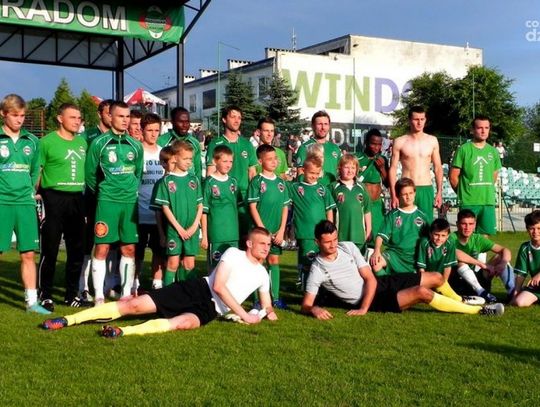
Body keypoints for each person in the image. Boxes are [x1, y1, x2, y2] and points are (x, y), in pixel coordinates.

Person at [41, 227, 278, 338]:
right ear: (249, 244)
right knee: (134, 305)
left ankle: (122, 332)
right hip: (197, 290)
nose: (266, 248)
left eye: (268, 245)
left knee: (182, 323)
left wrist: (264, 312)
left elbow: (267, 304)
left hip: (211, 310)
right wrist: (245, 315)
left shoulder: (262, 274)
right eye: (262, 244)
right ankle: (68, 320)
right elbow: (218, 286)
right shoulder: (233, 254)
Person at [300, 220, 504, 319]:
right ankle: (480, 311)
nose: (333, 245)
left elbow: (369, 278)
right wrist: (314, 309)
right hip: (373, 300)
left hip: (378, 284)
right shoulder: (318, 269)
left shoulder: (348, 247)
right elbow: (306, 305)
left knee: (435, 277)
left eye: (335, 239)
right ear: (317, 242)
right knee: (423, 293)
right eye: (328, 242)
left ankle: (460, 300)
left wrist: (363, 308)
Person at [85, 101, 144, 304]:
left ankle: (126, 293)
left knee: (129, 249)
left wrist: (128, 189)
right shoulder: (99, 143)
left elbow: (138, 172)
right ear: (110, 117)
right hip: (107, 201)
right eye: (121, 116)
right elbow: (90, 175)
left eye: (128, 117)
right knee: (102, 248)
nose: (125, 120)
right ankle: (99, 296)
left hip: (129, 202)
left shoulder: (136, 145)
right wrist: (105, 191)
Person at [37, 103, 90, 311]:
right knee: (50, 250)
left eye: (79, 118)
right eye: (72, 117)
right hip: (53, 198)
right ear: (60, 118)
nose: (77, 121)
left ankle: (71, 295)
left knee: (76, 250)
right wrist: (36, 194)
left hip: (77, 198)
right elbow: (38, 171)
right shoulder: (46, 142)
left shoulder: (82, 142)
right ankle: (45, 295)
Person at [0, 94, 50, 314]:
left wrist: (30, 191)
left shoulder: (32, 141)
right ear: (3, 114)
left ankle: (31, 303)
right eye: (15, 115)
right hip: (2, 202)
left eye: (22, 115)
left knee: (28, 253)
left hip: (25, 204)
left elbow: (35, 171)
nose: (19, 119)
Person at [152, 141, 202, 285]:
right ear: (174, 158)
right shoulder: (166, 181)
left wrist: (195, 226)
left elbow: (200, 205)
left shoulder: (194, 179)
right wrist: (178, 228)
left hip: (192, 230)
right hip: (174, 230)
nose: (189, 162)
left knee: (189, 264)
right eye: (185, 158)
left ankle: (189, 295)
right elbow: (165, 208)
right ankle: (168, 295)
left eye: (190, 159)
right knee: (173, 263)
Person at [206, 106, 257, 245]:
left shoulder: (247, 144)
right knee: (223, 241)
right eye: (233, 116)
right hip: (223, 198)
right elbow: (210, 173)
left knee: (245, 241)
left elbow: (252, 173)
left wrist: (254, 198)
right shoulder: (215, 144)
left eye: (239, 117)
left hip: (244, 200)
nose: (237, 120)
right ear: (224, 119)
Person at [248, 144, 290, 308]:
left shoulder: (281, 182)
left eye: (275, 158)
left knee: (273, 260)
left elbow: (285, 207)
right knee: (257, 262)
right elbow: (253, 207)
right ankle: (256, 300)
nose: (274, 162)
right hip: (261, 231)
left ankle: (276, 298)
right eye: (270, 159)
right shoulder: (256, 181)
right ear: (260, 161)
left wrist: (281, 230)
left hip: (277, 231)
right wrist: (263, 231)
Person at [79, 98, 113, 301]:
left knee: (109, 241)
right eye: (108, 113)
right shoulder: (88, 136)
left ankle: (108, 285)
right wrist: (94, 190)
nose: (112, 116)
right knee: (87, 242)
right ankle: (82, 286)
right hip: (91, 195)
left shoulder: (119, 138)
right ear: (100, 114)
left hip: (111, 197)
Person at [449, 116, 502, 236]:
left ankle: (480, 251)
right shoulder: (463, 150)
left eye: (486, 128)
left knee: (484, 236)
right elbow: (453, 177)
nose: (483, 131)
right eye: (479, 128)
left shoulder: (493, 151)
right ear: (472, 130)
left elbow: (494, 176)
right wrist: (463, 193)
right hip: (469, 201)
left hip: (487, 200)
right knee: (466, 235)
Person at [388, 106, 443, 222]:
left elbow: (438, 168)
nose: (419, 122)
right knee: (405, 224)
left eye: (422, 119)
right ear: (409, 120)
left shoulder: (432, 141)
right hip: (406, 188)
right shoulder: (400, 141)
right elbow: (393, 169)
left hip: (425, 188)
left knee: (426, 224)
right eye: (416, 119)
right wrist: (393, 194)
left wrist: (439, 192)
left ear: (425, 120)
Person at [289, 155, 335, 288]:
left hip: (322, 234)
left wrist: (330, 229)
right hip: (306, 233)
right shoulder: (295, 188)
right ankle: (306, 290)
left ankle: (320, 290)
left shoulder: (323, 189)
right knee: (308, 263)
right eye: (311, 173)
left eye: (316, 173)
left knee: (323, 262)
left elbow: (329, 210)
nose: (314, 176)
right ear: (303, 170)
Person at [448, 209, 514, 303]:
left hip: (474, 279)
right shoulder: (451, 238)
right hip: (456, 282)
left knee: (499, 257)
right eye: (464, 224)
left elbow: (505, 250)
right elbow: (455, 253)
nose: (467, 227)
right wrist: (482, 264)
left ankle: (512, 292)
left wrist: (502, 264)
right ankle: (481, 291)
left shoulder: (477, 238)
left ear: (475, 224)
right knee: (460, 263)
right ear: (457, 224)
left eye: (471, 224)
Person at [416, 218, 485, 305]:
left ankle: (464, 299)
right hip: (427, 278)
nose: (439, 238)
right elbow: (421, 268)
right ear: (430, 233)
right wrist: (425, 286)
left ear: (448, 236)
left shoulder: (450, 243)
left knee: (448, 296)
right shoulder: (424, 242)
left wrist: (443, 286)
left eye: (443, 235)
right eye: (436, 235)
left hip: (442, 278)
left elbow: (447, 267)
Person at [370, 178, 429, 276]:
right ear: (398, 195)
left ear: (415, 193)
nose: (408, 197)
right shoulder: (393, 215)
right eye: (404, 194)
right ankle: (390, 283)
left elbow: (430, 239)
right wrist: (376, 251)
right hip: (395, 254)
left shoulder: (422, 215)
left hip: (416, 256)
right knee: (376, 264)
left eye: (411, 193)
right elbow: (380, 236)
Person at [135, 113, 165, 291]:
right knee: (137, 251)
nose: (153, 134)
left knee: (159, 250)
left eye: (156, 130)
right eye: (150, 130)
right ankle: (134, 283)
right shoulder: (137, 152)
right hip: (139, 211)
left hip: (158, 213)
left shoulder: (164, 152)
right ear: (142, 130)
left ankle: (157, 283)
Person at [201, 145, 239, 270]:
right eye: (225, 161)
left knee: (232, 269)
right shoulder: (209, 183)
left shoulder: (233, 182)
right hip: (216, 234)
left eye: (230, 161)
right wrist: (205, 236)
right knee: (216, 269)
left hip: (233, 233)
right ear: (215, 161)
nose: (228, 165)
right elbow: (204, 212)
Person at [331, 154, 371, 253]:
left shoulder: (361, 187)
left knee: (359, 262)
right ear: (339, 168)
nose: (350, 171)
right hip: (341, 236)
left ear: (357, 169)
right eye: (346, 167)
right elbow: (329, 212)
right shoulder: (333, 187)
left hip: (359, 236)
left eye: (353, 168)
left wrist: (369, 230)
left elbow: (367, 210)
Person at [356, 128, 389, 242]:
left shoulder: (383, 160)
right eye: (373, 144)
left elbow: (388, 184)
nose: (376, 147)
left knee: (377, 238)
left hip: (377, 205)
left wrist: (382, 168)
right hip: (361, 205)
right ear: (366, 142)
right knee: (361, 237)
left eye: (379, 144)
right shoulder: (357, 158)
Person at [295, 111, 342, 186]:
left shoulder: (335, 148)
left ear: (329, 126)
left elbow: (340, 172)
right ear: (313, 126)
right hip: (313, 191)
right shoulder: (305, 148)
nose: (323, 127)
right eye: (319, 124)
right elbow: (300, 173)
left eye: (325, 124)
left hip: (331, 191)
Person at [157, 107, 202, 182]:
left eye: (187, 122)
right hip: (169, 184)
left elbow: (198, 170)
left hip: (190, 185)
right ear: (172, 122)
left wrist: (198, 186)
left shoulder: (195, 143)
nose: (185, 125)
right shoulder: (162, 141)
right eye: (181, 122)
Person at [511, 210, 540, 307]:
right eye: (532, 228)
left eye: (539, 228)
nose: (535, 232)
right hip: (537, 287)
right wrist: (516, 293)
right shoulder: (525, 248)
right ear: (527, 229)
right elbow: (521, 273)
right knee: (519, 302)